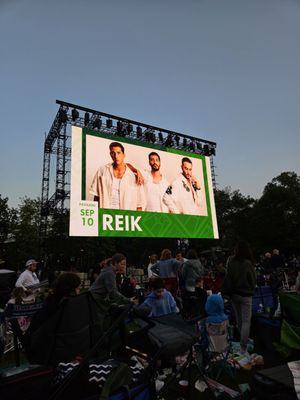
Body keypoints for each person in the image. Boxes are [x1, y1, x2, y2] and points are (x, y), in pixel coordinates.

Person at [89, 141, 145, 210]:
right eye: (113, 153)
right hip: (106, 213)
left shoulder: (133, 175)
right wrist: (96, 214)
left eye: (118, 153)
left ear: (124, 155)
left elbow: (139, 204)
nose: (116, 156)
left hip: (126, 216)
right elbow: (96, 195)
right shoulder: (102, 170)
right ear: (110, 154)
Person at [224, 241, 256, 355]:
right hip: (246, 294)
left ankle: (243, 341)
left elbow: (227, 275)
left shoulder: (230, 261)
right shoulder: (248, 263)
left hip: (234, 294)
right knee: (247, 321)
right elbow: (253, 279)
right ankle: (243, 347)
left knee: (239, 320)